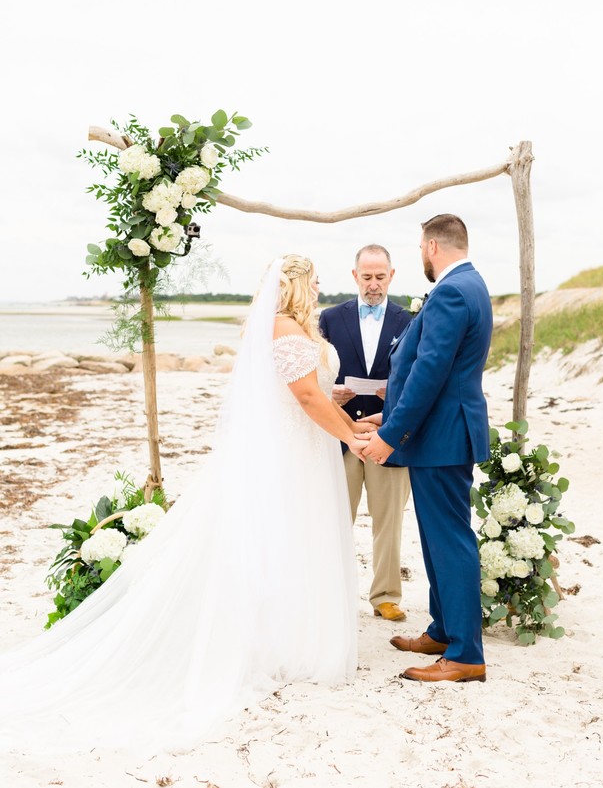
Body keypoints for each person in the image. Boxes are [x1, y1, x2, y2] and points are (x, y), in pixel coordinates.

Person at [0, 255, 364, 753]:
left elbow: (303, 394)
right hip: (288, 455)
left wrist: (338, 409)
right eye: (315, 280)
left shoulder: (288, 330)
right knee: (279, 540)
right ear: (296, 286)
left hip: (299, 448)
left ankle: (282, 636)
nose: (321, 287)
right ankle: (271, 643)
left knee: (289, 543)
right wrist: (351, 435)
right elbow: (304, 399)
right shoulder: (283, 330)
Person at [359, 215, 492, 683]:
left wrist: (391, 435)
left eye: (419, 247)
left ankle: (465, 654)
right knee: (438, 540)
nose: (420, 254)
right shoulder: (470, 285)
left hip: (441, 437)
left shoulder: (453, 291)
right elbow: (434, 369)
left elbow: (430, 371)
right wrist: (388, 415)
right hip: (441, 434)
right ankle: (443, 631)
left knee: (451, 542)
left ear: (432, 246)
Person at [319, 245, 412, 622]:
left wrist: (397, 391)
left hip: (388, 435)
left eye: (380, 276)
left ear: (392, 275)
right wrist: (332, 392)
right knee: (334, 518)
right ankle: (332, 594)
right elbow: (317, 372)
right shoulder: (329, 318)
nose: (373, 284)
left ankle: (386, 596)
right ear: (354, 276)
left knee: (388, 520)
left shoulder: (409, 320)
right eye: (367, 276)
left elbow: (419, 374)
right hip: (340, 435)